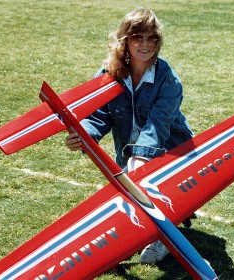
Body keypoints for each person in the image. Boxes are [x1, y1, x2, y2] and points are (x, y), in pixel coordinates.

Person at [65, 8, 194, 264]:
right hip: (129, 152)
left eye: (152, 38)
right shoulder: (108, 74)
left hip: (170, 150)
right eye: (138, 37)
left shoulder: (169, 81)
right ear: (126, 39)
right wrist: (83, 136)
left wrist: (140, 158)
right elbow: (97, 116)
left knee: (154, 194)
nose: (145, 44)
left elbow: (158, 126)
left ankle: (164, 236)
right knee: (133, 202)